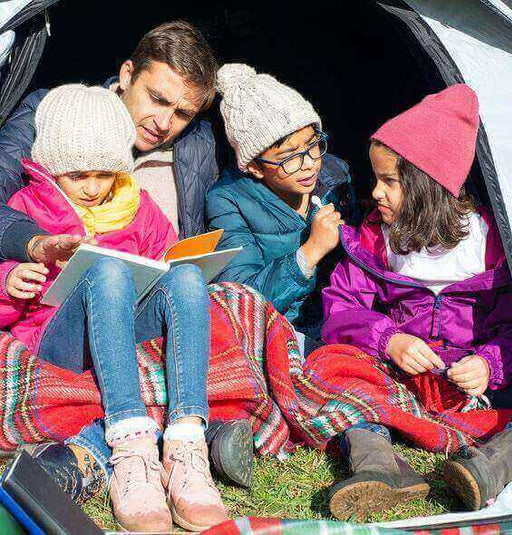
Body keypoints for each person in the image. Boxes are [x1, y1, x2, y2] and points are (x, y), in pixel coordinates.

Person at [0, 20, 252, 497]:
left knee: (224, 298)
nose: (165, 121)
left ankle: (189, 440)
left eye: (183, 112)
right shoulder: (57, 116)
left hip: (142, 313)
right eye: (158, 99)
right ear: (126, 74)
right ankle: (121, 444)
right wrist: (25, 254)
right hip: (60, 323)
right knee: (109, 275)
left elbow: (168, 247)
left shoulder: (186, 155)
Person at [321, 84, 512, 518]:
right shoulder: (376, 242)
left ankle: (496, 462)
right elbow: (340, 307)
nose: (376, 192)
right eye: (376, 179)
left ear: (427, 187)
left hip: (474, 390)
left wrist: (491, 364)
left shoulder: (491, 249)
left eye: (389, 181)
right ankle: (376, 461)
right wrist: (389, 340)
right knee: (332, 365)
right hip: (403, 381)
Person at [206, 64, 357, 348]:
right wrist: (310, 252)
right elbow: (242, 297)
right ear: (254, 167)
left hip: (339, 324)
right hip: (276, 335)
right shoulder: (229, 200)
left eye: (312, 145)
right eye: (289, 157)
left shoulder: (335, 177)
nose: (310, 163)